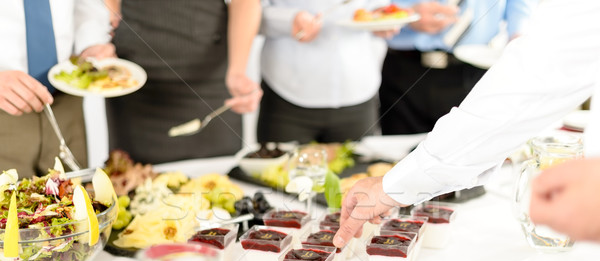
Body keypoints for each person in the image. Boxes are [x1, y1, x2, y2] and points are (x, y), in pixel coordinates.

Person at [332, 0, 600, 248]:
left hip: (471, 70)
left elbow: (534, 79)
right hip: (407, 68)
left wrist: (395, 185)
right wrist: (397, 185)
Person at [103, 0, 262, 165]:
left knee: (217, 181)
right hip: (133, 84)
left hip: (208, 84)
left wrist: (237, 72)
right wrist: (103, 25)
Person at [379, 0, 537, 135]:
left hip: (475, 69)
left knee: (470, 158)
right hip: (404, 71)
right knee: (395, 163)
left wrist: (519, 33)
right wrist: (404, 13)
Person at [0, 0, 114, 177]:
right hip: (5, 112)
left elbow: (87, 4)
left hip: (67, 101)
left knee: (76, 197)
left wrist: (91, 42)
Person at [257, 0, 395, 144]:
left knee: (361, 166)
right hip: (287, 93)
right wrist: (288, 20)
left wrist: (380, 17)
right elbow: (245, 12)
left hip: (358, 90)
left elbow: (374, 5)